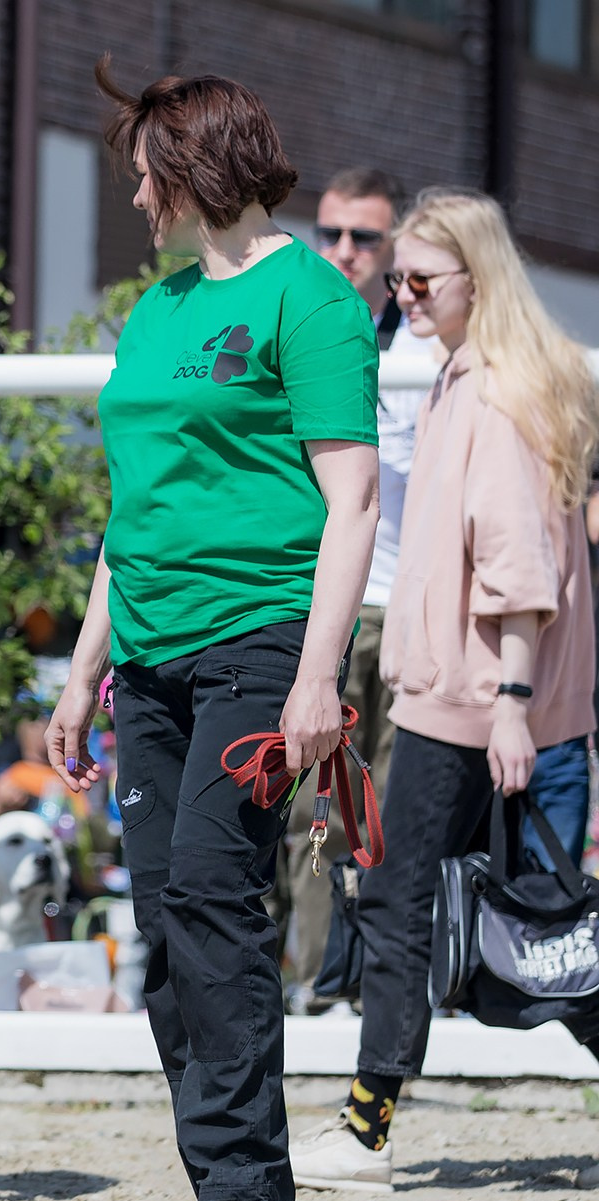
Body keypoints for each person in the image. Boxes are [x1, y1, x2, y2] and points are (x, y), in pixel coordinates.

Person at [46, 66, 380, 1201]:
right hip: (145, 655)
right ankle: (219, 1199)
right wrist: (83, 668)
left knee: (207, 901)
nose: (132, 190)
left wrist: (315, 679)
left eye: (144, 169)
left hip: (256, 645)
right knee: (164, 932)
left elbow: (350, 503)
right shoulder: (157, 311)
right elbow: (129, 511)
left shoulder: (313, 303)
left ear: (196, 168)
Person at [290, 188, 599, 1194]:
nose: (403, 295)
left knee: (400, 894)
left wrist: (509, 698)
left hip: (466, 697)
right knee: (533, 909)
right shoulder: (469, 378)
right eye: (398, 280)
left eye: (421, 279)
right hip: (462, 691)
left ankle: (365, 1127)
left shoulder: (493, 392)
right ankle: (367, 1122)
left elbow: (517, 565)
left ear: (478, 279)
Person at [281, 167, 441, 1010]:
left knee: (396, 815)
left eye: (365, 239)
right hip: (320, 612)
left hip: (406, 612)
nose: (344, 253)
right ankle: (314, 977)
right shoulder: (301, 324)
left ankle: (386, 988)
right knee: (316, 810)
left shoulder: (418, 346)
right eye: (331, 234)